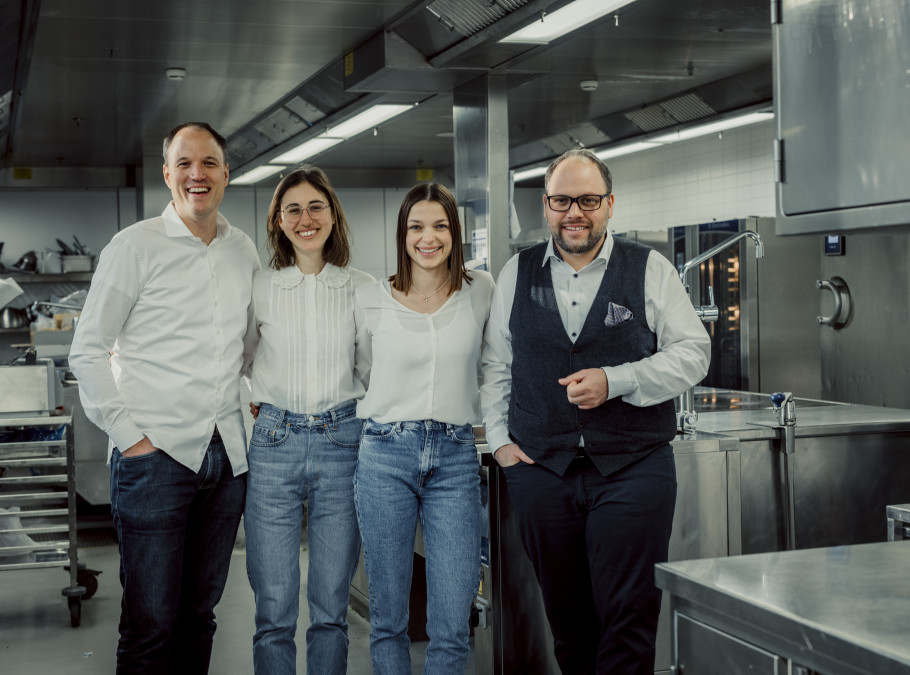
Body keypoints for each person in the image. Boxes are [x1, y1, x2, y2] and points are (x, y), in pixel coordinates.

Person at [480, 148, 711, 675]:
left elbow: (694, 353)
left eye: (587, 200)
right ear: (546, 206)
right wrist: (499, 442)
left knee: (628, 619)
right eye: (562, 200)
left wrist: (619, 379)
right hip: (542, 471)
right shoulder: (517, 273)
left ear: (610, 205)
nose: (574, 212)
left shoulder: (650, 268)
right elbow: (497, 365)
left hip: (634, 469)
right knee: (568, 623)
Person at [69, 122, 260, 673]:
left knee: (200, 615)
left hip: (225, 461)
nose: (196, 174)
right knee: (151, 625)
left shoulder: (241, 249)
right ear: (167, 174)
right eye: (184, 163)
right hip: (154, 462)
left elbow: (248, 349)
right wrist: (132, 440)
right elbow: (88, 352)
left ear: (226, 173)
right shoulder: (134, 248)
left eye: (208, 164)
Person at [353, 183, 495, 674]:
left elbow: (495, 370)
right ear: (403, 233)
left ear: (455, 233)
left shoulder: (481, 291)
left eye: (440, 225)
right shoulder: (371, 298)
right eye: (417, 226)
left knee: (452, 623)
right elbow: (359, 372)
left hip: (455, 458)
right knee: (390, 619)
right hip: (384, 456)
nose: (427, 237)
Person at [244, 166, 374, 674]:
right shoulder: (260, 286)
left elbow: (369, 368)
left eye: (315, 206)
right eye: (292, 209)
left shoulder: (360, 287)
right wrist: (254, 400)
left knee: (331, 610)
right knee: (273, 609)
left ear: (333, 214)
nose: (305, 218)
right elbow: (240, 360)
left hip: (343, 443)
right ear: (278, 221)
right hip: (274, 444)